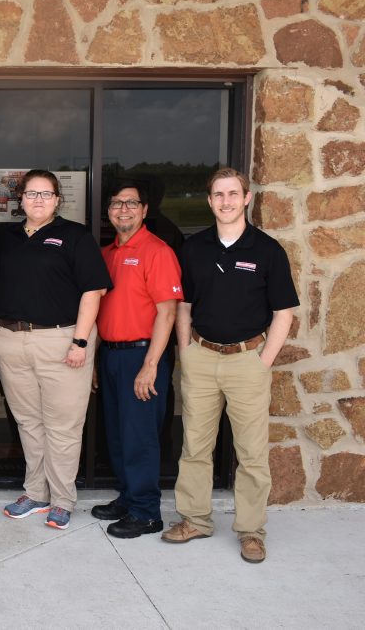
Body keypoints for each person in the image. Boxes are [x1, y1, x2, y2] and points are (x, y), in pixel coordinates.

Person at [162, 168, 298, 564]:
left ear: (247, 198)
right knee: (194, 447)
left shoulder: (267, 250)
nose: (225, 201)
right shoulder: (194, 247)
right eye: (218, 195)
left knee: (252, 453)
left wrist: (263, 361)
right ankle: (195, 519)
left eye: (233, 194)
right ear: (209, 201)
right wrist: (185, 351)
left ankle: (252, 531)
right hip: (201, 358)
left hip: (247, 362)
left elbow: (283, 313)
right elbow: (184, 305)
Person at [0, 169, 111, 530]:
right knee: (29, 422)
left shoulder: (74, 236)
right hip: (10, 338)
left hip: (61, 340)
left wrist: (81, 341)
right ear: (21, 199)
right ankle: (35, 492)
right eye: (31, 194)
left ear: (58, 199)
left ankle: (62, 498)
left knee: (63, 426)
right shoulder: (5, 236)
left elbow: (93, 291)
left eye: (46, 194)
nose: (38, 200)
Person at [91, 181, 182, 538]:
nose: (123, 209)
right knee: (116, 434)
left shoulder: (157, 251)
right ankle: (128, 499)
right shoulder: (107, 254)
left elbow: (168, 313)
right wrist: (97, 360)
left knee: (140, 437)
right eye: (116, 204)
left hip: (143, 356)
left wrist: (151, 365)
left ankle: (146, 512)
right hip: (112, 356)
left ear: (145, 210)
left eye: (131, 203)